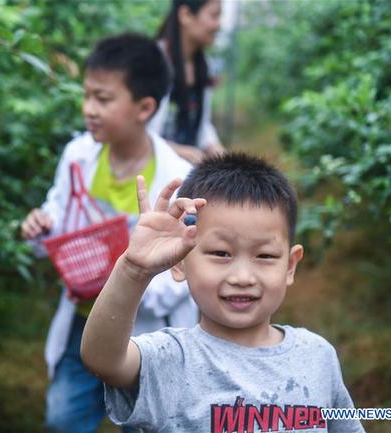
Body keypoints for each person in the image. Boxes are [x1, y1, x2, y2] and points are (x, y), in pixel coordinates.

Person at [81, 153, 366, 432]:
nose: (242, 277)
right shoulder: (170, 359)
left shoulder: (316, 356)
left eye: (265, 256)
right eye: (221, 253)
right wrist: (134, 269)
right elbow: (101, 359)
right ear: (181, 263)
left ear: (290, 265)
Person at [20, 33, 199, 433]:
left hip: (149, 335)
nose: (89, 110)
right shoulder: (78, 157)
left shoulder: (177, 180)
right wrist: (40, 226)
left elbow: (184, 271)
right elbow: (58, 211)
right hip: (85, 322)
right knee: (64, 419)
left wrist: (124, 278)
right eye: (86, 96)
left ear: (145, 107)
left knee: (148, 421)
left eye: (103, 99)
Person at [149, 0, 226, 164]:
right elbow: (139, 131)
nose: (218, 25)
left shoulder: (205, 65)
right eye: (214, 15)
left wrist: (218, 151)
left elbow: (202, 123)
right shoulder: (154, 61)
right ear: (185, 15)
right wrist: (178, 151)